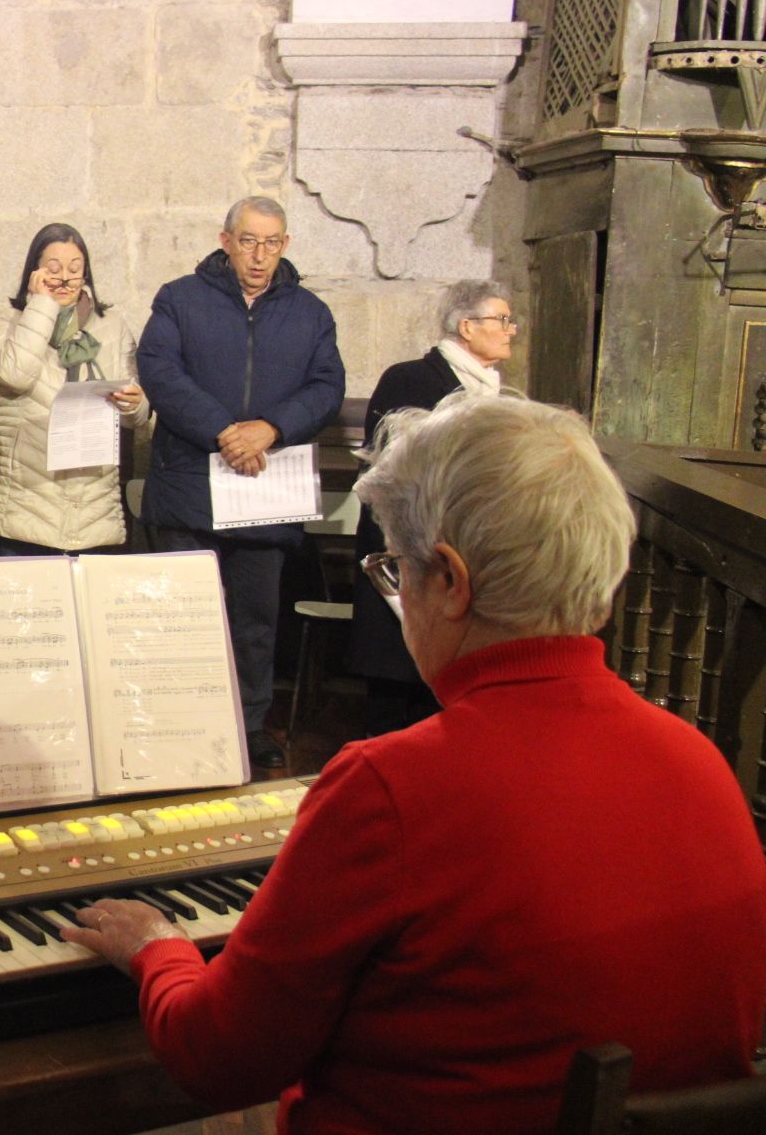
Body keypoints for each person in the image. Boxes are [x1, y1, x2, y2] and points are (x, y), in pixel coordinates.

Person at [62, 393, 766, 1135]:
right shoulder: (701, 763)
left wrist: (159, 949)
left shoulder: (391, 786)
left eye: (395, 568)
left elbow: (217, 1058)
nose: (395, 592)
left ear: (452, 582)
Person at [137, 196, 344, 771]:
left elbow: (327, 386)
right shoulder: (179, 299)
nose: (259, 255)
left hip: (264, 490)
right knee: (182, 617)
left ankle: (250, 723)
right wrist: (225, 431)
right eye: (249, 241)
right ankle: (177, 720)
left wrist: (270, 429)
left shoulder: (310, 313)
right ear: (225, 239)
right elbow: (159, 371)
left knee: (256, 620)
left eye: (272, 242)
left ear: (286, 245)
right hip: (189, 490)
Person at [348, 281, 515, 733]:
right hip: (410, 551)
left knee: (441, 691)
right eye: (501, 320)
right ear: (466, 326)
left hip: (459, 554)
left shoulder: (491, 390)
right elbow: (394, 471)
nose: (511, 330)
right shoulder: (411, 379)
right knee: (396, 691)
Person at [0, 223, 150, 556]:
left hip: (93, 510)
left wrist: (134, 403)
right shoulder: (8, 320)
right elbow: (13, 375)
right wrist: (42, 305)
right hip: (22, 507)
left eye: (75, 269)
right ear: (35, 272)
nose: (64, 279)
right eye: (53, 270)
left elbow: (138, 417)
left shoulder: (112, 327)